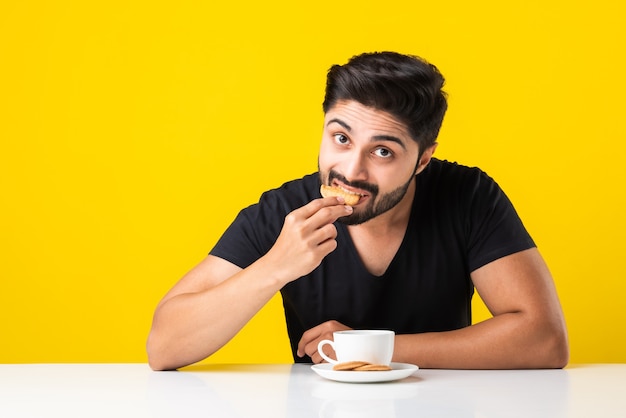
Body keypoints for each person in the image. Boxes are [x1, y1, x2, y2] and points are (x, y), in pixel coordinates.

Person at [146, 51, 569, 371]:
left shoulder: (469, 196)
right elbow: (164, 347)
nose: (351, 171)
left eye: (382, 151)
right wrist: (276, 266)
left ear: (423, 160)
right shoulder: (283, 212)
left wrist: (371, 349)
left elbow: (545, 341)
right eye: (341, 139)